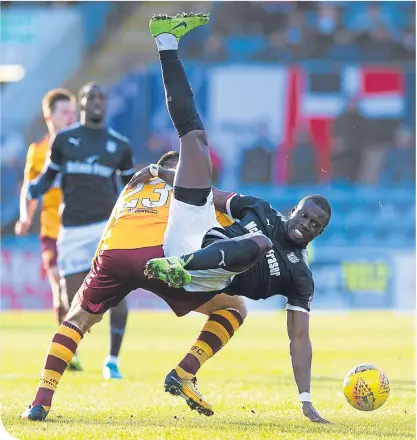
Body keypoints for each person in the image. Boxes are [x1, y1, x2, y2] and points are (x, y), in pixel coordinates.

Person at [143, 13, 331, 423]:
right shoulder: (261, 209)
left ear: (318, 234)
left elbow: (299, 337)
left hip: (201, 278)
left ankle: (183, 372)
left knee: (239, 305)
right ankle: (167, 44)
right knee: (195, 140)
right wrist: (161, 172)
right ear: (292, 210)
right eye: (305, 215)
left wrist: (305, 400)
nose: (307, 225)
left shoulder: (300, 277)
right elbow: (207, 193)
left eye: (316, 225)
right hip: (186, 245)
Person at [21, 149, 247, 421]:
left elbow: (111, 226)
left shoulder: (134, 185)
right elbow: (227, 232)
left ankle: (40, 403)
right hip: (158, 254)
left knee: (75, 320)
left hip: (113, 253)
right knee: (235, 306)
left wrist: (96, 274)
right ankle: (185, 372)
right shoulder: (191, 185)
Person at [25, 83, 136, 379]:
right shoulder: (63, 140)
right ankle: (69, 356)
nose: (97, 102)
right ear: (83, 105)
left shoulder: (120, 145)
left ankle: (112, 361)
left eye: (102, 97)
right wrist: (33, 189)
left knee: (118, 292)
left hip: (106, 229)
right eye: (91, 98)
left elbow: (130, 189)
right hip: (71, 230)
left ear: (106, 104)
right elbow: (47, 177)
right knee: (71, 301)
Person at [15, 89, 80, 370]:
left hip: (81, 228)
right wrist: (25, 218)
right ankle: (69, 351)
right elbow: (29, 189)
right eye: (64, 112)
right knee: (58, 282)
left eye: (72, 112)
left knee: (78, 291)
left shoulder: (82, 146)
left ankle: (75, 336)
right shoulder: (38, 151)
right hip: (52, 229)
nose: (70, 117)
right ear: (49, 117)